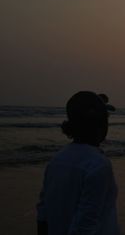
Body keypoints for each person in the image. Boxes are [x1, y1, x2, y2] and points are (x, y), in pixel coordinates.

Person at [36, 91, 120, 235]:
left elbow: (43, 215)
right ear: (100, 125)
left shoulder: (57, 160)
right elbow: (85, 225)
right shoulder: (98, 165)